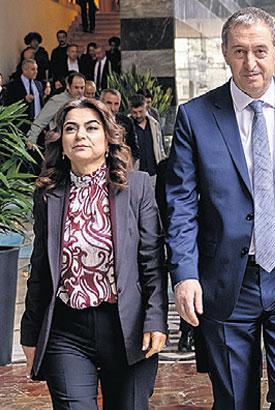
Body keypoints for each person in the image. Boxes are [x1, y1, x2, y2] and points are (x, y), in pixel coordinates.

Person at [166, 7, 275, 408]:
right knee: (233, 401)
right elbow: (181, 205)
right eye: (239, 51)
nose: (251, 62)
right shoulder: (195, 116)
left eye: (260, 50)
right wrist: (185, 274)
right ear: (224, 53)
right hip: (227, 277)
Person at [20, 98, 167, 409]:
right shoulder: (48, 194)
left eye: (91, 127)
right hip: (67, 331)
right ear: (62, 143)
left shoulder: (137, 187)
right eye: (70, 129)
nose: (80, 135)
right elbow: (40, 269)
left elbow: (152, 262)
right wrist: (30, 334)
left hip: (127, 328)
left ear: (108, 138)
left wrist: (156, 319)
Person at [27, 72, 86, 145]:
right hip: (58, 143)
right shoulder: (57, 100)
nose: (79, 91)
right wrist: (31, 138)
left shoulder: (86, 102)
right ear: (68, 86)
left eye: (82, 88)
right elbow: (40, 121)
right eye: (76, 87)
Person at [128, 94, 166, 179]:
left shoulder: (154, 124)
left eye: (141, 111)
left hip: (155, 173)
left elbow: (160, 148)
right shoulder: (126, 126)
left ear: (146, 108)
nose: (138, 115)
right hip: (135, 174)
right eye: (134, 112)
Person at [4, 59, 44, 133]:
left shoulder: (39, 84)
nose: (36, 72)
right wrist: (24, 99)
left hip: (38, 123)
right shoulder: (13, 85)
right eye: (33, 69)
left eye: (36, 69)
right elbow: (8, 104)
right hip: (22, 125)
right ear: (24, 70)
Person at [100, 88, 137, 158]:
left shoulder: (127, 121)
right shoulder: (94, 120)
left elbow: (134, 148)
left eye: (116, 104)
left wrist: (128, 161)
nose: (112, 108)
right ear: (101, 102)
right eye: (109, 103)